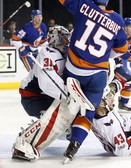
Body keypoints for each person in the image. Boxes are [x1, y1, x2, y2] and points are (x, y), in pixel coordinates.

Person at [38, 0, 129, 163]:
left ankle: (61, 117)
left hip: (75, 70)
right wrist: (107, 57)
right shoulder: (117, 20)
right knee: (88, 112)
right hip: (98, 74)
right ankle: (74, 146)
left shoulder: (83, 6)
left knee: (65, 96)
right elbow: (122, 48)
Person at [11, 25, 92, 161]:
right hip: (33, 98)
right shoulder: (48, 53)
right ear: (56, 39)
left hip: (44, 96)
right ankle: (24, 142)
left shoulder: (62, 53)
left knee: (67, 122)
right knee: (60, 113)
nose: (68, 42)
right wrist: (68, 95)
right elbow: (47, 83)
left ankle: (36, 130)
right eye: (65, 39)